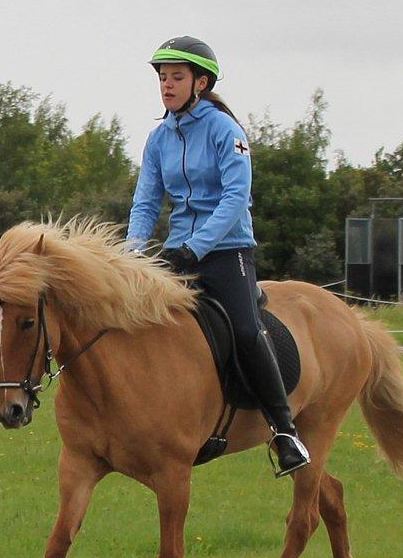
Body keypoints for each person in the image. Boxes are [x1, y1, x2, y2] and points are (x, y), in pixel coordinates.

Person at [127, 35, 311, 477]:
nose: (166, 86)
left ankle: (284, 431)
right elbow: (146, 202)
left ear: (200, 82)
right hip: (176, 254)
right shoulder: (158, 139)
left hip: (227, 251)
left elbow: (235, 198)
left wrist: (197, 246)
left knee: (247, 331)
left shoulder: (226, 131)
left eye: (176, 77)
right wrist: (132, 254)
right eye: (162, 78)